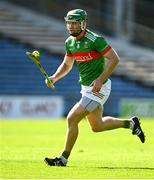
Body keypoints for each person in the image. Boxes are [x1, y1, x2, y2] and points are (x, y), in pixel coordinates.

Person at [44, 9, 145, 166]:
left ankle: (63, 159)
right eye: (69, 23)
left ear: (84, 24)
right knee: (97, 126)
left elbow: (114, 59)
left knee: (72, 118)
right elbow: (67, 64)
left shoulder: (94, 40)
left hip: (100, 88)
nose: (71, 26)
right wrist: (55, 77)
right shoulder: (70, 42)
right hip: (86, 88)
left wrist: (99, 80)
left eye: (75, 23)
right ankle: (131, 124)